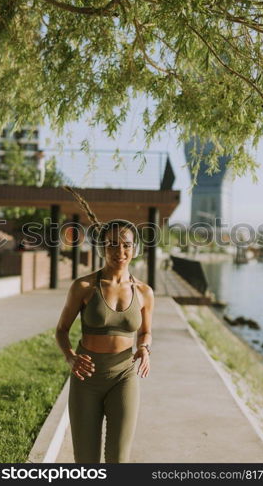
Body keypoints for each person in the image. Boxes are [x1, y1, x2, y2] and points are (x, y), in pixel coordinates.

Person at [55, 187, 154, 463]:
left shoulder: (145, 292)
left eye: (125, 244)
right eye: (111, 244)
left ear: (135, 248)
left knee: (118, 460)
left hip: (124, 375)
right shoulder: (83, 287)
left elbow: (145, 330)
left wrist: (145, 348)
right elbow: (61, 330)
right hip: (86, 377)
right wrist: (70, 356)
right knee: (86, 461)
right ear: (102, 247)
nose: (119, 251)